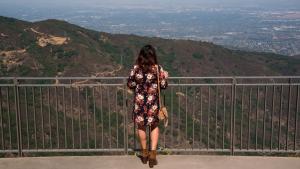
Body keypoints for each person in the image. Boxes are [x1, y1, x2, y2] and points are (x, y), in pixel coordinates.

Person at [127, 44, 168, 167]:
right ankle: (153, 154)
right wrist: (165, 76)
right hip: (153, 104)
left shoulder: (136, 68)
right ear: (153, 55)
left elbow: (130, 84)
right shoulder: (157, 68)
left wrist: (138, 85)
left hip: (139, 103)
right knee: (154, 126)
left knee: (141, 127)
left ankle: (144, 154)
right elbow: (164, 86)